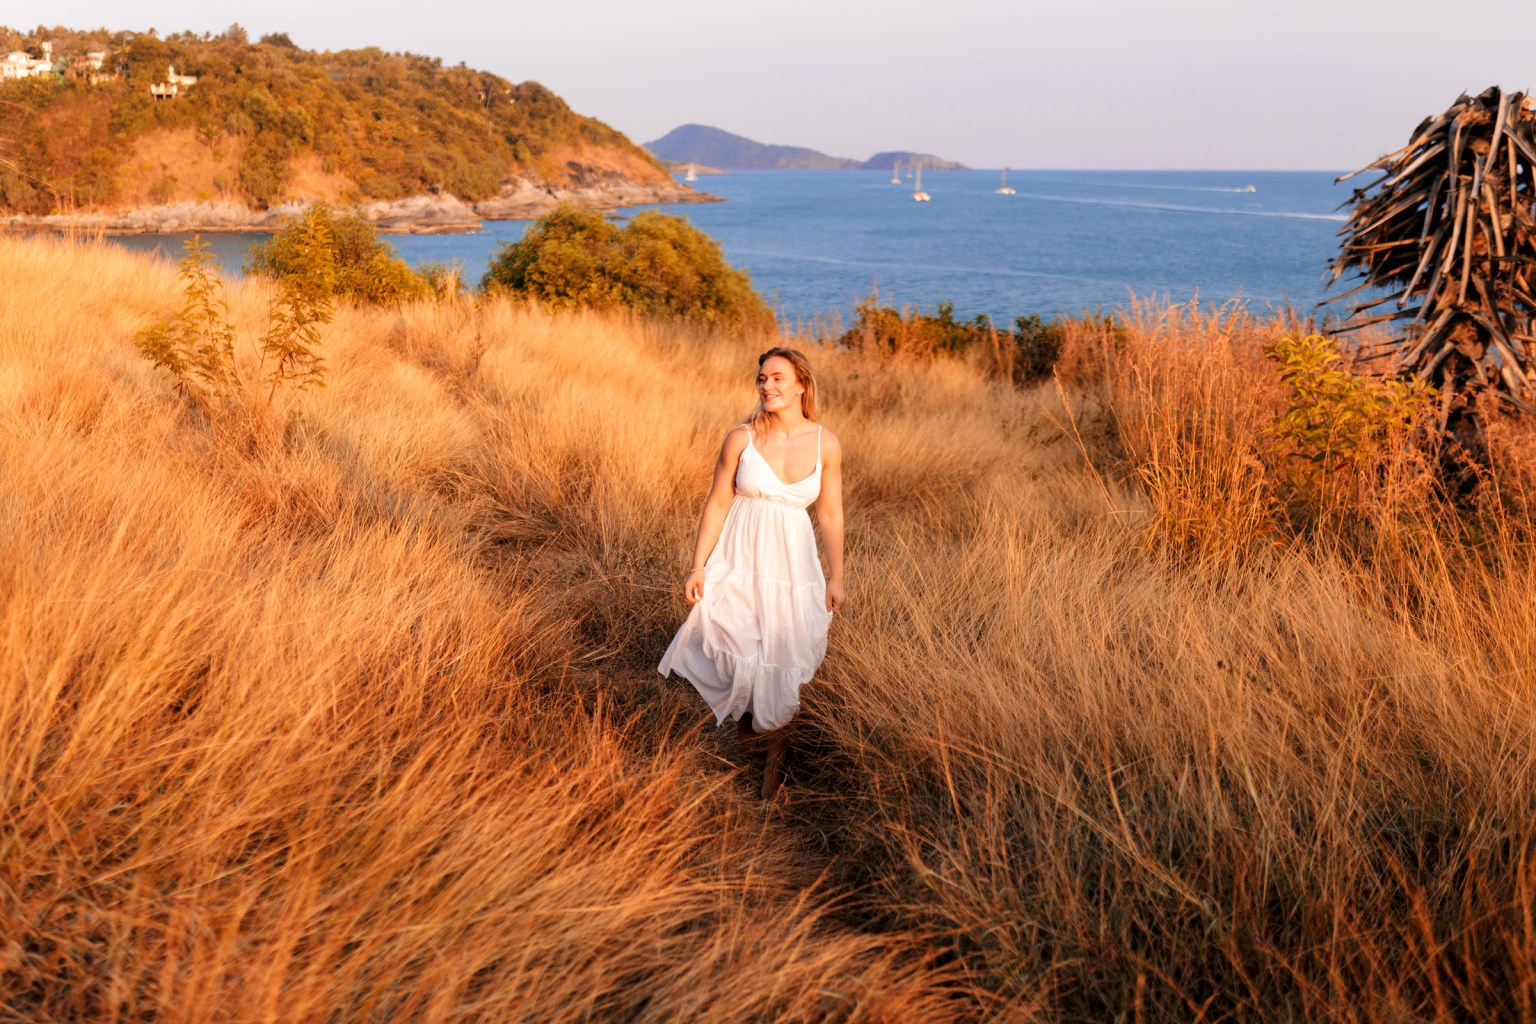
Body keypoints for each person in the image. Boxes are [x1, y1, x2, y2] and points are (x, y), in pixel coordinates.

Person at [657, 347, 845, 800]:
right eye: (762, 379)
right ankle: (751, 733)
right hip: (739, 562)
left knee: (780, 658)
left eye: (778, 378)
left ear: (801, 384)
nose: (767, 386)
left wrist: (836, 576)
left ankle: (773, 772)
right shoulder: (740, 438)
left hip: (792, 567)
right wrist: (698, 563)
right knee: (731, 645)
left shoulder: (826, 443)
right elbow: (718, 501)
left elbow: (832, 513)